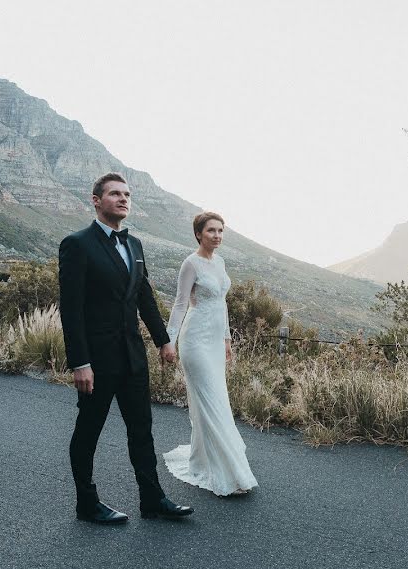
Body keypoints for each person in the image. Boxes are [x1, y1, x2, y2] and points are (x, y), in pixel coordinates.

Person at [58, 172, 193, 523]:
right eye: (115, 194)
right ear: (96, 200)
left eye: (127, 194)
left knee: (142, 430)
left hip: (133, 357)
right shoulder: (77, 244)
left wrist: (163, 340)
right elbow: (71, 311)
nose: (123, 199)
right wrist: (80, 362)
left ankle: (152, 499)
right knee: (89, 431)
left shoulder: (135, 245)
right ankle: (86, 503)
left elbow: (144, 297)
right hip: (97, 361)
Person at [163, 212, 258, 496]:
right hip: (195, 340)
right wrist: (169, 341)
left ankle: (213, 458)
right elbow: (180, 304)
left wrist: (227, 339)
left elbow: (223, 304)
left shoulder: (220, 262)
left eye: (220, 230)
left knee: (218, 399)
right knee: (211, 400)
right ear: (198, 234)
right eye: (211, 231)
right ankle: (225, 469)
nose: (217, 235)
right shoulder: (190, 264)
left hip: (216, 340)